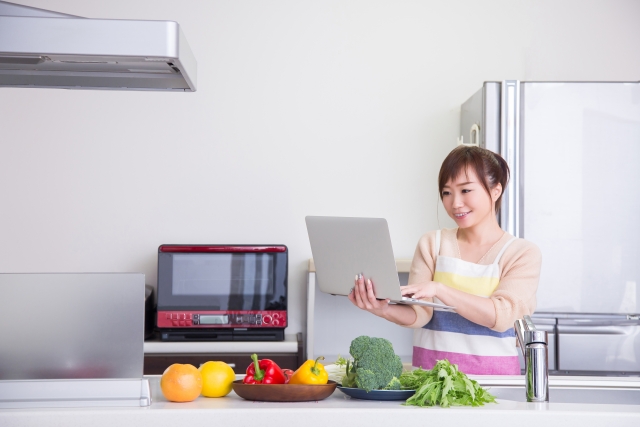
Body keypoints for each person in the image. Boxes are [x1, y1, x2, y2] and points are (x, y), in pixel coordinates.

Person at [348, 145, 542, 375]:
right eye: (447, 193)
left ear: (496, 190)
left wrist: (439, 289)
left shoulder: (521, 253)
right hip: (431, 383)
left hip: (495, 387)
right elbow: (420, 314)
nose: (455, 203)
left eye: (466, 190)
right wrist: (382, 309)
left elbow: (502, 316)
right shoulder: (432, 243)